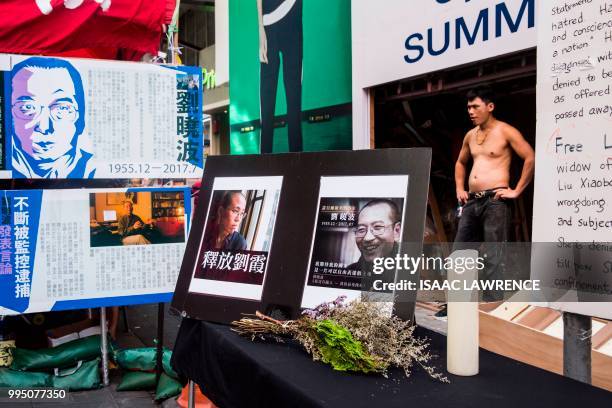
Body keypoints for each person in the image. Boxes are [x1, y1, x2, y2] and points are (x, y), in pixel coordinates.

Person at [451, 86, 535, 304]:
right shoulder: (470, 135)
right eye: (468, 107)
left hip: (495, 201)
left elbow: (530, 157)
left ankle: (491, 306)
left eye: (475, 106)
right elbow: (460, 162)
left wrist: (516, 190)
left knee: (492, 256)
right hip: (472, 201)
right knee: (460, 254)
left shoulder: (506, 131)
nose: (470, 111)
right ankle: (458, 306)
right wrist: (460, 188)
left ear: (490, 106)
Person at [10, 57, 95, 178]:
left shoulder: (96, 170)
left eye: (62, 108)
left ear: (80, 119)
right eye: (27, 107)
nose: (44, 127)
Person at [257, 0, 303, 153]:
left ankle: (298, 160)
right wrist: (260, 30)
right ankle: (264, 160)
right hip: (269, 22)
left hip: (293, 16)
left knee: (294, 95)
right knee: (267, 97)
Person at [347, 199, 402, 287]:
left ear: (396, 231)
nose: (367, 238)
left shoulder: (410, 274)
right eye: (361, 229)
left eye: (377, 227)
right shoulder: (347, 274)